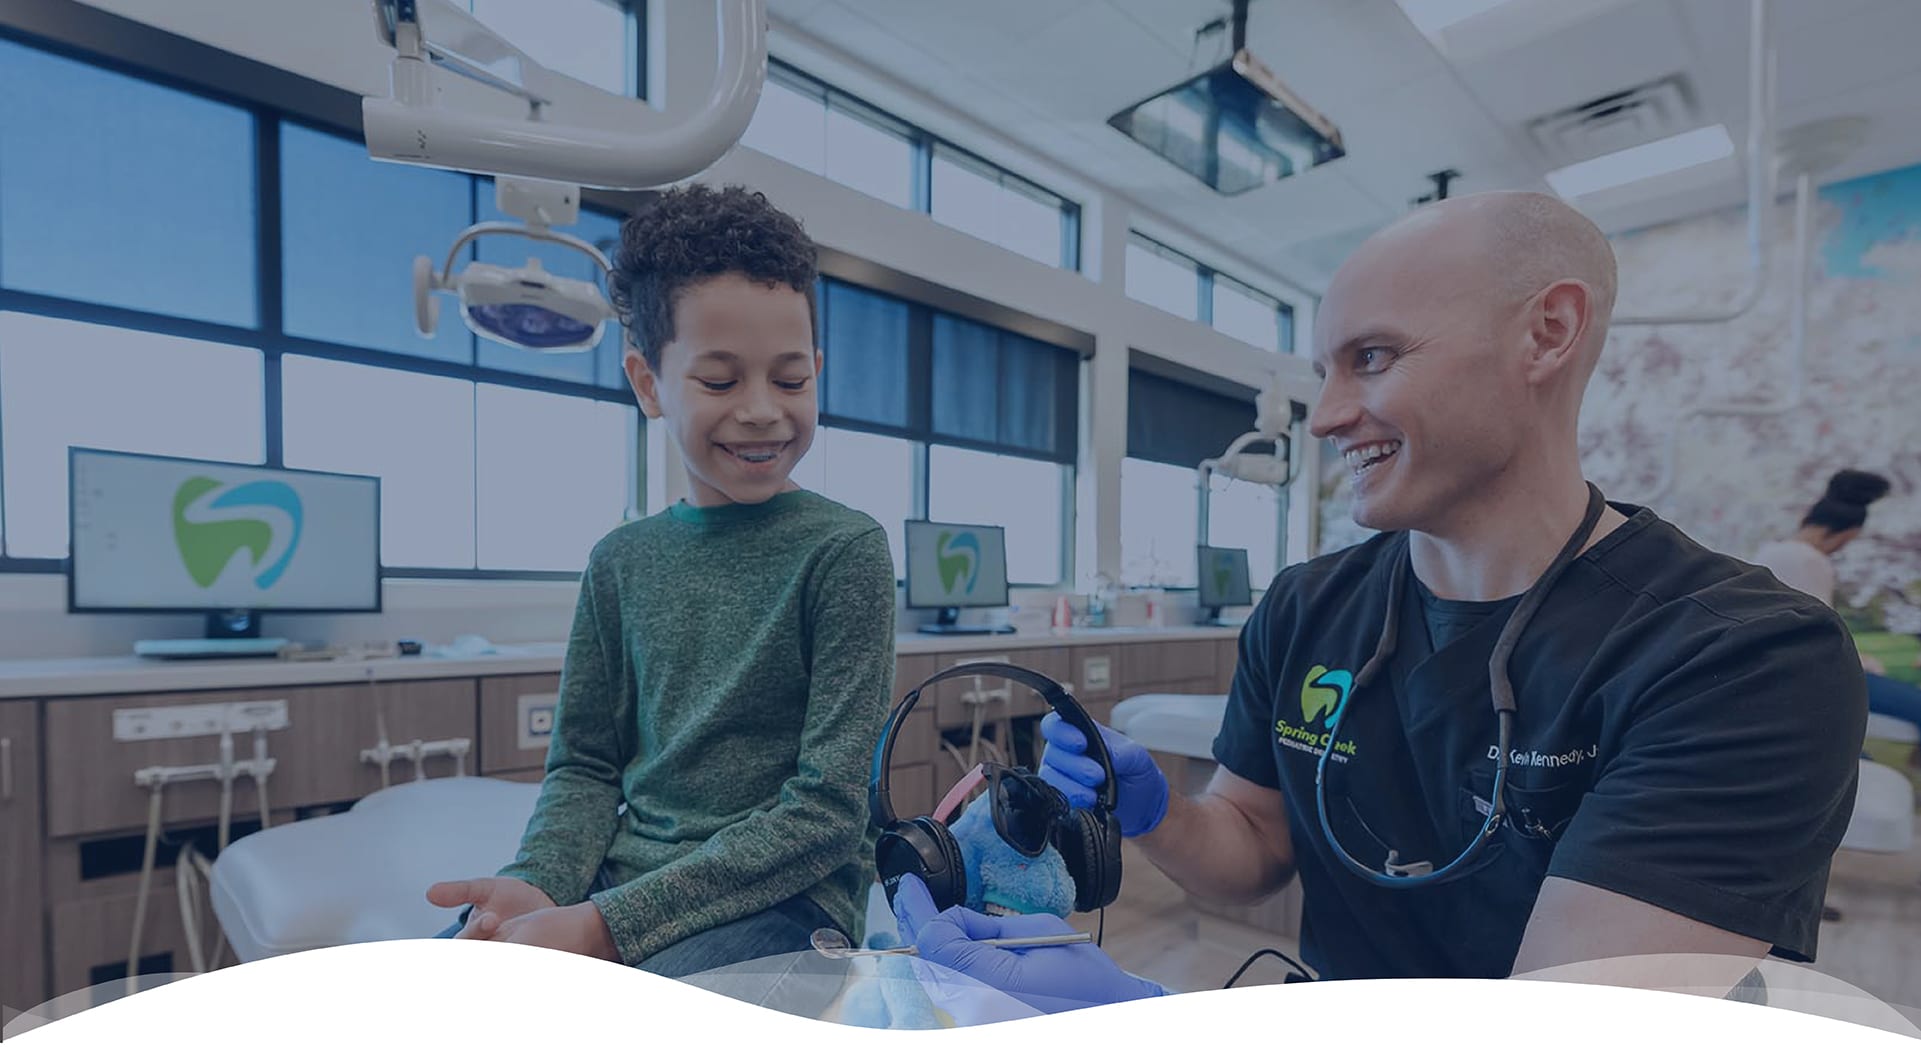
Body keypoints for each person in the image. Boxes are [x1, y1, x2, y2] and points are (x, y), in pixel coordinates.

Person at [890, 190, 1867, 1011]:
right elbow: (1253, 848)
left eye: (1373, 357)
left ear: (1546, 333)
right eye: (1325, 370)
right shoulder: (1305, 607)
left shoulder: (1741, 658)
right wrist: (1156, 815)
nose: (1324, 417)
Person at [425, 184, 899, 977]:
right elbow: (584, 767)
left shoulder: (845, 551)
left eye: (789, 381)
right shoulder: (620, 561)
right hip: (618, 879)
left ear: (816, 369)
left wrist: (604, 928)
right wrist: (537, 880)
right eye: (719, 381)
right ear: (648, 382)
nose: (761, 411)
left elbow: (826, 812)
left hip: (786, 900)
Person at [1752, 469, 1921, 737]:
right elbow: (1824, 636)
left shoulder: (1769, 551)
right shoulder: (1810, 560)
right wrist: (1862, 662)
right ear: (1847, 534)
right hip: (1819, 674)